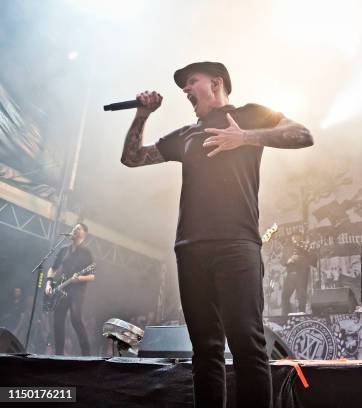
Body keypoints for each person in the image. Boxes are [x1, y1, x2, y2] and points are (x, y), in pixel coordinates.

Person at [120, 61, 313, 408]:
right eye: (183, 86)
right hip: (190, 249)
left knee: (246, 343)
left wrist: (245, 137)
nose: (186, 90)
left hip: (237, 244)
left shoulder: (251, 114)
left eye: (192, 81)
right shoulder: (185, 135)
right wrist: (142, 114)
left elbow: (302, 134)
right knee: (205, 350)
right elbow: (132, 158)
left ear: (216, 83)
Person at [45, 223, 95, 356]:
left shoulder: (86, 252)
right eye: (74, 228)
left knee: (75, 319)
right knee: (58, 320)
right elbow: (53, 268)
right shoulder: (63, 249)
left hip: (77, 291)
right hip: (62, 288)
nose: (74, 230)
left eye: (78, 228)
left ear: (84, 234)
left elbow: (92, 276)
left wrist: (79, 279)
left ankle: (87, 354)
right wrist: (49, 283)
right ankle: (59, 354)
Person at [281, 233, 314, 315]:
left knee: (301, 297)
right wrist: (288, 261)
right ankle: (285, 316)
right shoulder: (287, 248)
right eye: (294, 237)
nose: (295, 239)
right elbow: (282, 261)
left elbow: (311, 259)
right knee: (285, 296)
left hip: (302, 275)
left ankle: (301, 315)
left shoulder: (305, 246)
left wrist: (299, 257)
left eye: (297, 237)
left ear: (301, 238)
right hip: (290, 275)